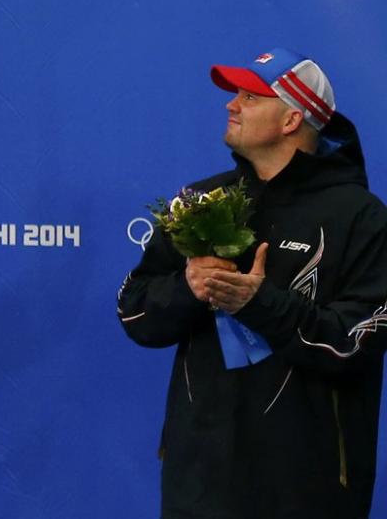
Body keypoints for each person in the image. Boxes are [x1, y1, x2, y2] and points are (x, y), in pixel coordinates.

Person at [118, 49, 387, 518]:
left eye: (250, 97)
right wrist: (188, 287)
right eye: (235, 94)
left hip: (306, 491)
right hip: (199, 486)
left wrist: (260, 302)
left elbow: (357, 343)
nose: (231, 105)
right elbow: (135, 311)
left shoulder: (360, 218)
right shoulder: (199, 202)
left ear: (291, 120)